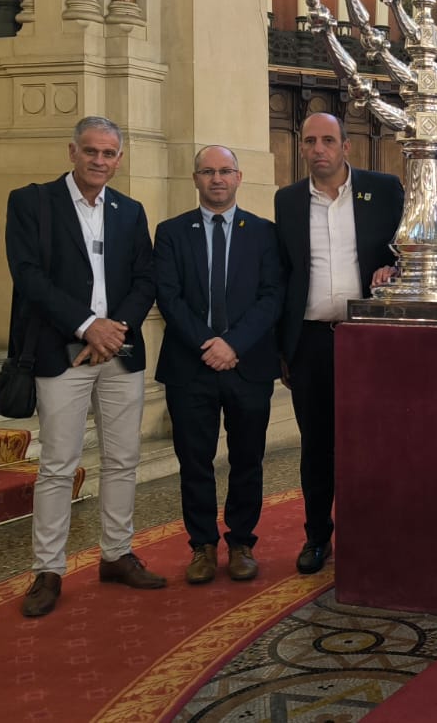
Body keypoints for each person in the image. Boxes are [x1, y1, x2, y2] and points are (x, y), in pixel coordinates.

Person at [6, 116, 164, 618]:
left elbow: (146, 278)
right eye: (92, 151)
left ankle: (116, 555)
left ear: (120, 159)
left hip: (120, 351)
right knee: (57, 466)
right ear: (72, 151)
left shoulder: (130, 211)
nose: (100, 161)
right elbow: (28, 277)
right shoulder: (32, 202)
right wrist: (86, 325)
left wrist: (113, 329)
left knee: (123, 460)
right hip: (61, 352)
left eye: (110, 154)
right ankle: (48, 570)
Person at [275, 113, 403, 575]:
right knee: (317, 445)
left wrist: (395, 270)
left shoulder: (383, 190)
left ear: (346, 146)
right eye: (310, 141)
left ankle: (371, 532)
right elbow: (283, 275)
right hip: (310, 341)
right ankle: (316, 536)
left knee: (372, 440)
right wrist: (283, 349)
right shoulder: (287, 201)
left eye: (328, 140)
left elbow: (406, 251)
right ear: (302, 148)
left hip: (368, 339)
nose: (319, 149)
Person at [154, 146, 283, 584]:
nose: (217, 179)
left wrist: (233, 345)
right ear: (195, 179)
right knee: (195, 460)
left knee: (248, 459)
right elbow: (168, 297)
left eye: (225, 171)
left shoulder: (264, 233)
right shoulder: (171, 232)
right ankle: (203, 546)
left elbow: (272, 298)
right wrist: (208, 344)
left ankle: (242, 542)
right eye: (207, 171)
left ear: (239, 177)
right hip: (190, 367)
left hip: (248, 365)